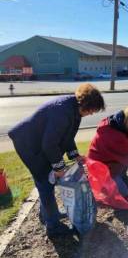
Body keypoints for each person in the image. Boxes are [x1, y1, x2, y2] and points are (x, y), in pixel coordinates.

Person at [8, 83, 105, 237]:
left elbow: (67, 137)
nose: (92, 113)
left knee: (48, 180)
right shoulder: (62, 111)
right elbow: (50, 144)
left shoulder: (75, 110)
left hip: (41, 142)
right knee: (45, 182)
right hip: (29, 144)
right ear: (85, 104)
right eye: (92, 110)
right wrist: (59, 168)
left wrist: (74, 155)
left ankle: (46, 214)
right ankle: (53, 227)